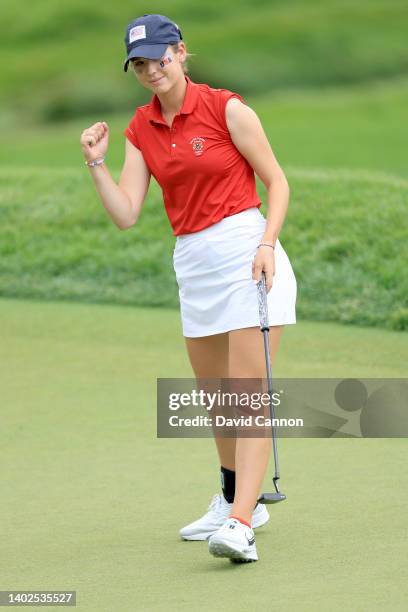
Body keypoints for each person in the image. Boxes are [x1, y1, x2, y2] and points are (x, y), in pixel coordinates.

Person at [80, 13, 297, 564]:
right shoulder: (140, 128)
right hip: (193, 264)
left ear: (180, 51)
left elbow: (276, 182)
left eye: (160, 57)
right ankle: (234, 499)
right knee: (219, 403)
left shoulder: (226, 107)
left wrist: (268, 244)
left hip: (247, 254)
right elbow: (128, 213)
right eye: (141, 64)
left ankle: (242, 524)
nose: (152, 70)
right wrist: (96, 164)